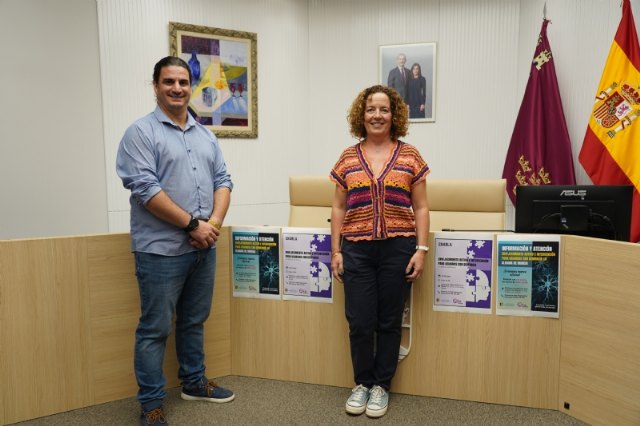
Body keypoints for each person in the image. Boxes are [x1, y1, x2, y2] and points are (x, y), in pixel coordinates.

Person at [116, 56, 234, 426]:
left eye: (183, 82)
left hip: (203, 246)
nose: (178, 88)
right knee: (155, 329)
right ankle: (151, 403)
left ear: (191, 87)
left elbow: (224, 182)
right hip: (161, 252)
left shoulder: (205, 134)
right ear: (156, 86)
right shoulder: (141, 133)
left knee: (195, 320)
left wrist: (211, 224)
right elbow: (146, 190)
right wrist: (192, 225)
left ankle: (194, 382)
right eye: (169, 82)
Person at [330, 85, 430, 418]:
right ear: (362, 115)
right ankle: (362, 382)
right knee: (359, 321)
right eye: (371, 109)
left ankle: (380, 387)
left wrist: (421, 249)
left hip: (398, 249)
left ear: (394, 115)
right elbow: (339, 206)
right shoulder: (347, 157)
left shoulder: (410, 155)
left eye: (384, 109)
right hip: (356, 250)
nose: (377, 115)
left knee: (388, 321)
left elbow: (422, 207)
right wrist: (336, 251)